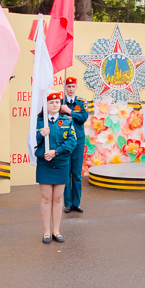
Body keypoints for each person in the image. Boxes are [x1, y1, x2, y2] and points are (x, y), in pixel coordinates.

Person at [34, 92, 77, 243]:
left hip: (61, 163)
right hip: (45, 164)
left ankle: (56, 231)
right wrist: (41, 134)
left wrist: (56, 152)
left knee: (58, 199)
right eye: (51, 102)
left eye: (57, 102)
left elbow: (72, 142)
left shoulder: (67, 121)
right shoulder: (39, 122)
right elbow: (31, 142)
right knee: (46, 198)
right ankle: (46, 232)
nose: (54, 105)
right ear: (45, 105)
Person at [60, 77, 88, 213]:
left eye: (73, 86)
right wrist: (62, 110)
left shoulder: (81, 102)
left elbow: (83, 118)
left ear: (76, 87)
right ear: (65, 87)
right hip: (65, 141)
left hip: (78, 141)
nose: (71, 89)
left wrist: (70, 111)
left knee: (76, 173)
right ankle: (67, 203)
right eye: (68, 86)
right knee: (66, 173)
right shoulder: (60, 102)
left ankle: (76, 203)